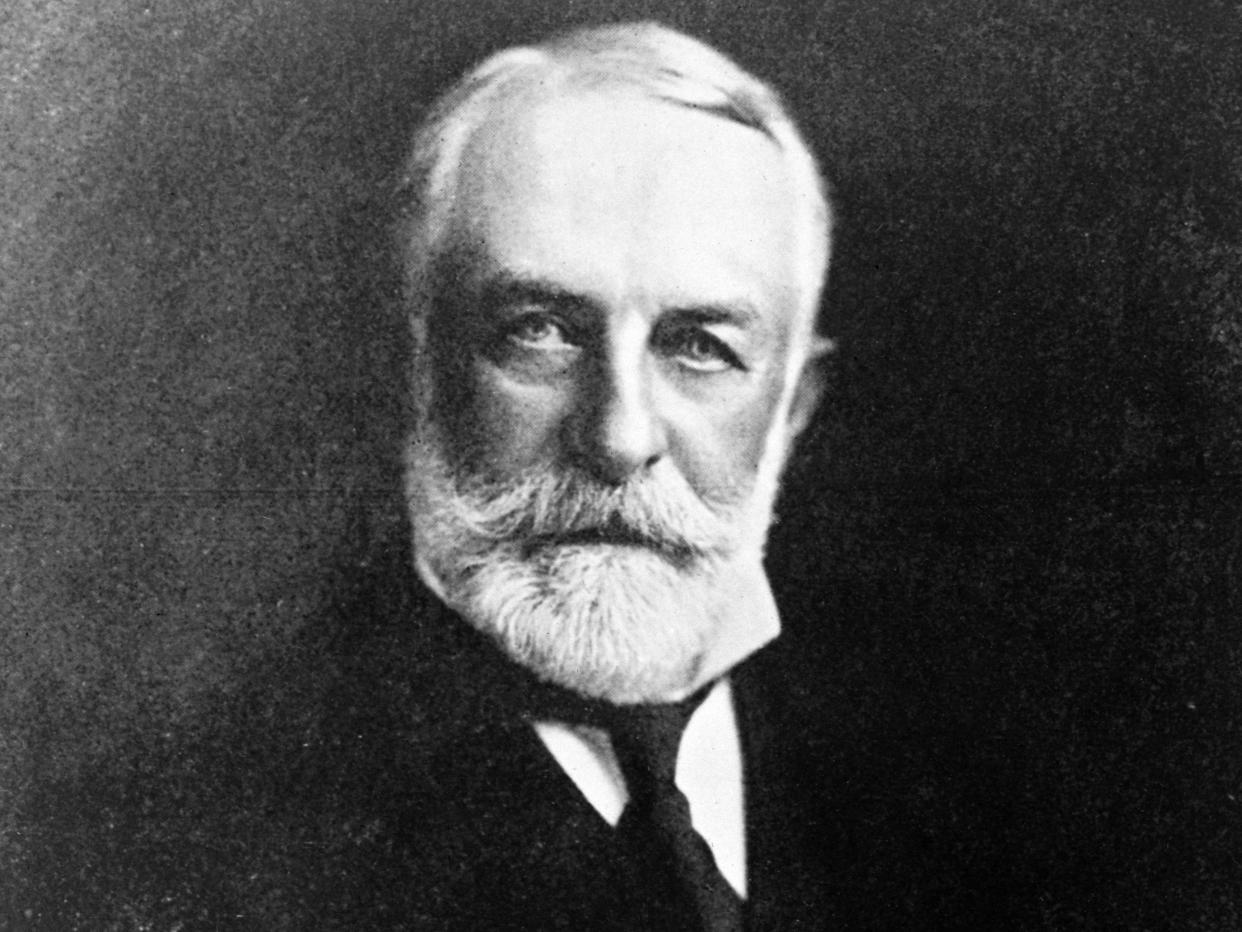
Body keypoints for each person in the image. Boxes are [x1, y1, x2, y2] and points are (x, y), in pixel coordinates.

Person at [377, 19, 834, 930]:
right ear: (418, 363)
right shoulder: (201, 815)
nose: (620, 437)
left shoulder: (944, 785)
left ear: (790, 410)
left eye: (699, 346)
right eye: (539, 329)